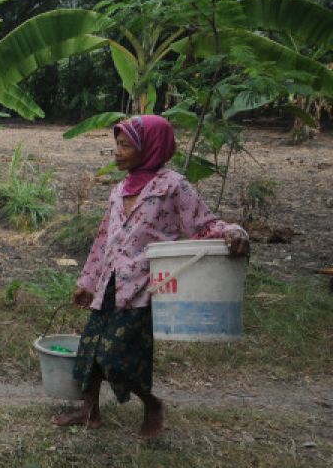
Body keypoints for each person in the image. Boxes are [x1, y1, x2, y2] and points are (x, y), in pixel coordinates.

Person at [54, 114, 250, 439]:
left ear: (149, 148)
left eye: (125, 146)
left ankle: (152, 404)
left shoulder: (172, 186)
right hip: (110, 284)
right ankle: (90, 411)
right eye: (116, 145)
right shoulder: (119, 191)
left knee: (116, 356)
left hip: (145, 286)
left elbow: (204, 225)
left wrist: (234, 231)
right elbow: (104, 239)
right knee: (89, 348)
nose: (117, 152)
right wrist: (87, 284)